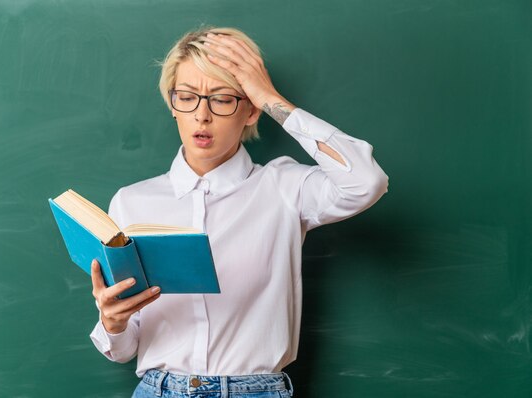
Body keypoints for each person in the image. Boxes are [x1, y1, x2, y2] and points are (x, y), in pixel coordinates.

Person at [89, 26, 389, 397]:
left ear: (249, 111)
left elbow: (366, 182)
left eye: (222, 99)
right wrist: (112, 322)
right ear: (172, 104)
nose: (202, 115)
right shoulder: (131, 202)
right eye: (187, 97)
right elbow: (124, 348)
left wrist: (270, 98)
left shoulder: (285, 187)